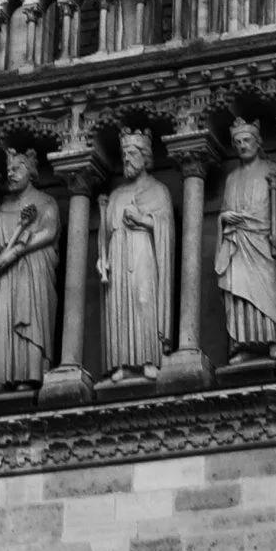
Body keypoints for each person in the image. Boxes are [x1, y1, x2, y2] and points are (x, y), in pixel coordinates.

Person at [0, 143, 60, 391]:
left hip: (33, 270)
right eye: (9, 170)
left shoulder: (46, 202)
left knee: (30, 318)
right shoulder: (3, 210)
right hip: (5, 275)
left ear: (31, 172)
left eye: (17, 169)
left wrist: (17, 250)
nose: (11, 174)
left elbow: (49, 232)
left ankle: (29, 375)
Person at [215, 113, 276, 355]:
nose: (242, 146)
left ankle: (272, 339)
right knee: (240, 293)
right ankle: (243, 344)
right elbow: (224, 211)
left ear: (258, 142)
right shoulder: (232, 178)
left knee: (267, 291)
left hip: (262, 240)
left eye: (247, 140)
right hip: (237, 241)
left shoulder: (272, 170)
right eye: (238, 142)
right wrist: (224, 218)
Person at [99, 128, 173, 374]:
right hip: (118, 254)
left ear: (145, 156)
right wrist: (102, 258)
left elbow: (166, 227)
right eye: (124, 155)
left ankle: (149, 359)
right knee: (118, 306)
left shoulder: (158, 190)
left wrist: (142, 219)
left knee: (144, 300)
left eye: (131, 154)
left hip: (144, 250)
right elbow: (105, 233)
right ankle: (120, 363)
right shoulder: (116, 195)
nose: (127, 159)